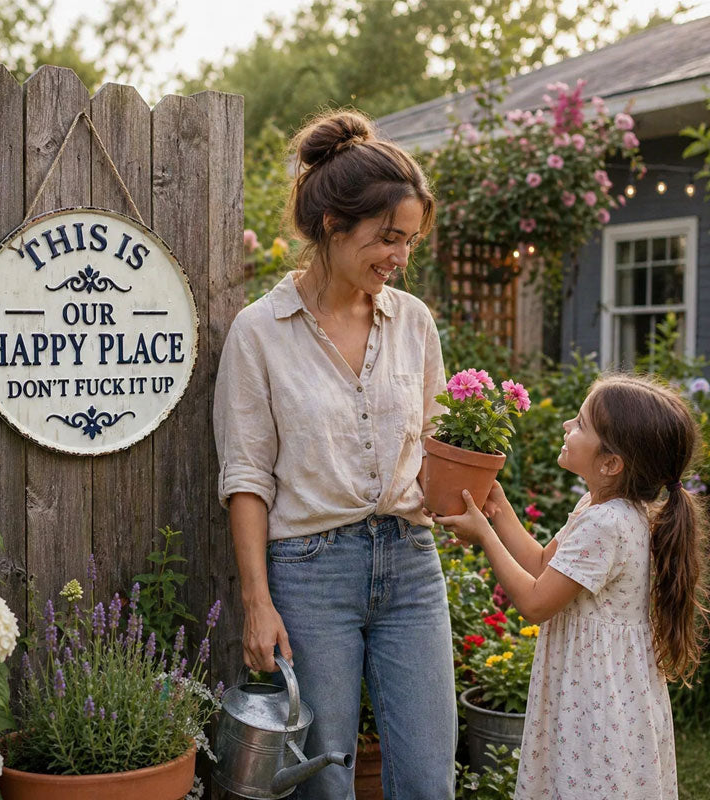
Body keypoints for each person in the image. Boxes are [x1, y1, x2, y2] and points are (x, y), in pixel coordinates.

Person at [213, 110, 457, 800]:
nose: (399, 258)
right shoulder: (261, 332)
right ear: (330, 225)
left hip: (411, 564)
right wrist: (257, 603)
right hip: (311, 574)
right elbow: (247, 478)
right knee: (324, 782)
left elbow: (438, 442)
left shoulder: (414, 323)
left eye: (408, 242)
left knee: (428, 777)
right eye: (387, 238)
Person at [434, 374, 709, 800]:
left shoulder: (606, 524)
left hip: (595, 700)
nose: (566, 426)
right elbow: (545, 564)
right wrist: (500, 508)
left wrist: (485, 537)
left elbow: (535, 603)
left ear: (611, 463)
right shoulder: (600, 508)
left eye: (580, 424)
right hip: (603, 688)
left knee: (587, 782)